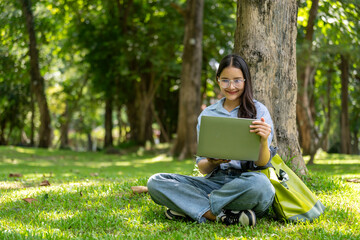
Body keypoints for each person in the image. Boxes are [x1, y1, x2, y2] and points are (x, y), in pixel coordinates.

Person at [147, 54, 276, 226]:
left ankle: (190, 207)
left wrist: (263, 140)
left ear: (246, 81)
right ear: (217, 80)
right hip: (215, 181)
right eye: (225, 80)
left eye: (237, 80)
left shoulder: (259, 111)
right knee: (156, 181)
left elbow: (262, 162)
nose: (231, 86)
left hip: (245, 183)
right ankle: (219, 215)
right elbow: (203, 169)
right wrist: (212, 162)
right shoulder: (208, 114)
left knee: (262, 185)